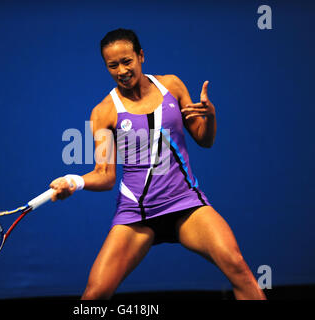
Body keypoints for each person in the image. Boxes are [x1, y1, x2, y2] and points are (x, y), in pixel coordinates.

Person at [49, 28, 266, 300]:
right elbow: (104, 176)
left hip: (185, 204)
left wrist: (210, 117)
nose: (121, 70)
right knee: (94, 295)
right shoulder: (103, 112)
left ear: (141, 56)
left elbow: (204, 139)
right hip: (137, 214)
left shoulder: (172, 86)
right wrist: (74, 181)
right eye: (112, 65)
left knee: (237, 266)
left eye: (127, 61)